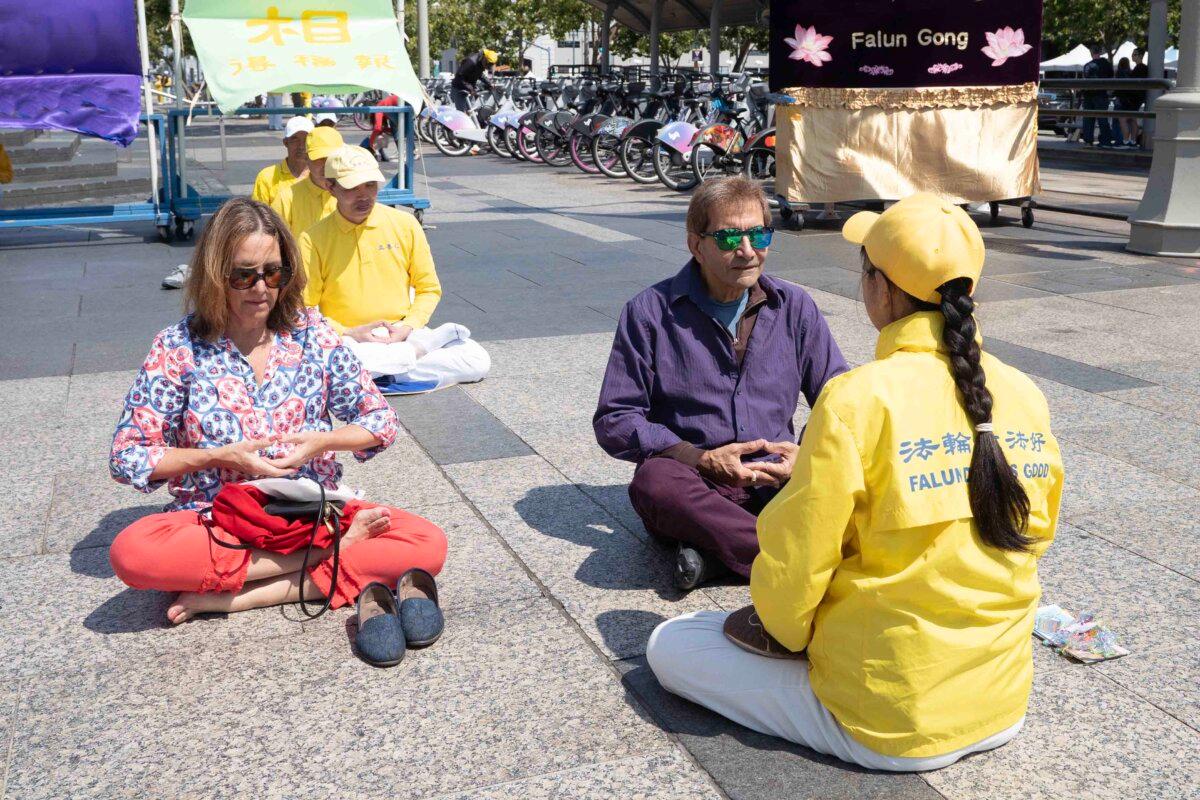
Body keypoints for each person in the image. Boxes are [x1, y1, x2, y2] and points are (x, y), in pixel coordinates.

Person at [647, 194, 1063, 771]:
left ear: (882, 288)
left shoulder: (856, 399)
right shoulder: (1023, 393)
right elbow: (1034, 537)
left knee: (670, 645)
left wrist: (791, 630)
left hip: (891, 722)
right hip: (1002, 702)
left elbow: (795, 578)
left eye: (865, 270)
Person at [109, 197, 447, 625]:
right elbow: (127, 455)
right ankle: (331, 557)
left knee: (426, 542)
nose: (261, 288)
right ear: (215, 276)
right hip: (220, 519)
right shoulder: (177, 348)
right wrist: (217, 456)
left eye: (273, 272)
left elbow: (380, 420)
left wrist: (322, 443)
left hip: (310, 513)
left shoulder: (312, 332)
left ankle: (240, 594)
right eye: (243, 275)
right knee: (133, 553)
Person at [593, 176, 847, 590]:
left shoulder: (794, 306)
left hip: (777, 478)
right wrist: (700, 459)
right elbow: (615, 418)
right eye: (729, 238)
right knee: (655, 483)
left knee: (855, 476)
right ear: (697, 244)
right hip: (698, 482)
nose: (747, 252)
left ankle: (720, 557)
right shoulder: (650, 312)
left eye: (759, 235)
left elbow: (840, 398)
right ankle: (795, 563)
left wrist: (806, 454)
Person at [299, 145, 490, 394]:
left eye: (370, 185)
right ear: (330, 187)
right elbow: (304, 308)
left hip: (402, 333)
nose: (364, 195)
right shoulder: (312, 238)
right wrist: (348, 331)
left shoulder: (405, 224)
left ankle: (375, 375)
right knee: (323, 360)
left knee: (477, 360)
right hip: (349, 338)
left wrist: (407, 327)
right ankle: (396, 370)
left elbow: (428, 289)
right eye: (352, 188)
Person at [270, 125, 342, 240]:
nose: (326, 165)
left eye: (333, 158)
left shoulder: (353, 193)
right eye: (319, 158)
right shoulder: (286, 199)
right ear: (307, 158)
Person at [251, 116, 312, 206]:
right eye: (295, 140)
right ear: (286, 143)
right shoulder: (267, 177)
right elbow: (258, 216)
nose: (301, 146)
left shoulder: (322, 177)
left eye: (306, 140)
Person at [1082, 44, 1116, 147]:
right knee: (1103, 118)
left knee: (1088, 118)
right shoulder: (1107, 64)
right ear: (1100, 52)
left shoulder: (1087, 66)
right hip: (1102, 94)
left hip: (1089, 94)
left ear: (1091, 53)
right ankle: (1106, 141)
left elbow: (1086, 79)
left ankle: (1088, 141)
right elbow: (1111, 76)